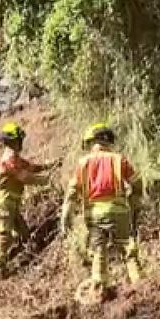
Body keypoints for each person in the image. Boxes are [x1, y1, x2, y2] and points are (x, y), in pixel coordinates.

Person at [61, 124, 143, 301]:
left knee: (99, 251)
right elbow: (137, 182)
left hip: (95, 215)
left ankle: (99, 292)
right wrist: (134, 201)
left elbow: (72, 193)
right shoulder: (119, 160)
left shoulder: (83, 163)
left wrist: (65, 216)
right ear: (108, 141)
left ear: (93, 141)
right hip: (120, 212)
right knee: (127, 250)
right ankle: (140, 288)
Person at [0, 122, 51, 280]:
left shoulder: (15, 158)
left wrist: (51, 166)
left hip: (11, 204)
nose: (21, 143)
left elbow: (32, 167)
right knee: (5, 235)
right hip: (4, 203)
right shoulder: (9, 160)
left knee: (24, 235)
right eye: (18, 140)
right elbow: (25, 177)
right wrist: (45, 180)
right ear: (10, 142)